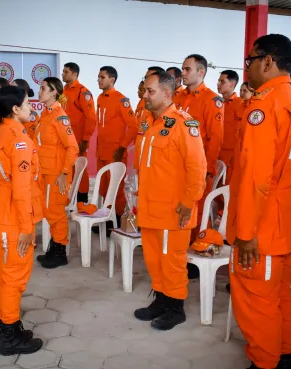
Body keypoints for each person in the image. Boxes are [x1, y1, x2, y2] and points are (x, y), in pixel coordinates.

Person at [226, 34, 291, 369]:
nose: (246, 66)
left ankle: (265, 362)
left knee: (256, 301)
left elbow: (255, 178)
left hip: (263, 228)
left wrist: (246, 233)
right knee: (279, 295)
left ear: (268, 61)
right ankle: (285, 353)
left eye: (250, 59)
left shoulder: (264, 106)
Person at [133, 71, 206, 331]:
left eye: (150, 91)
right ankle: (161, 299)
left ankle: (176, 307)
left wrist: (189, 203)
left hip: (174, 210)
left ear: (166, 93)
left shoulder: (184, 125)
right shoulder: (148, 122)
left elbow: (198, 168)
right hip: (150, 207)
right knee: (153, 259)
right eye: (144, 91)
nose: (144, 95)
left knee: (172, 261)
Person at [0, 85, 44, 356]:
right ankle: (8, 335)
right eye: (27, 103)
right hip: (12, 215)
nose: (32, 107)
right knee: (14, 278)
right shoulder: (19, 140)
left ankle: (3, 328)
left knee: (3, 274)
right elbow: (21, 190)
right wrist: (26, 228)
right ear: (16, 109)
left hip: (0, 209)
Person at [34, 77, 79, 269]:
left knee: (55, 213)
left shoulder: (60, 117)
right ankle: (54, 246)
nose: (40, 91)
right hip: (45, 172)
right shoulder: (45, 115)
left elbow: (73, 148)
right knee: (48, 211)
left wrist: (64, 173)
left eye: (43, 88)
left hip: (56, 174)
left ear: (54, 92)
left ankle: (60, 252)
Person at [181, 54, 224, 242]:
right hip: (178, 166)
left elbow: (216, 138)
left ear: (201, 72)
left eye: (187, 69)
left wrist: (208, 169)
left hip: (199, 167)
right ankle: (180, 248)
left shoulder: (212, 100)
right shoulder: (179, 97)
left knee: (196, 212)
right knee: (179, 209)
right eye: (182, 68)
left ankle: (197, 249)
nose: (183, 73)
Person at [93, 66, 139, 234]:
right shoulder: (100, 97)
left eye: (102, 77)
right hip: (102, 151)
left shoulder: (121, 100)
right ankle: (107, 218)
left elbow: (133, 125)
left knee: (117, 189)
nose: (98, 79)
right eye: (98, 76)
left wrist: (122, 147)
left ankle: (117, 222)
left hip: (115, 152)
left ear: (112, 79)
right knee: (104, 188)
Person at [61, 62, 97, 203]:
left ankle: (82, 199)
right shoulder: (62, 91)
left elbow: (91, 117)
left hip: (78, 139)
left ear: (74, 74)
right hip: (65, 139)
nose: (63, 74)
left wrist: (85, 139)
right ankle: (69, 198)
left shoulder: (83, 92)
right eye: (63, 72)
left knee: (80, 169)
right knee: (67, 168)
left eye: (66, 72)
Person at [217, 70, 243, 184]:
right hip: (216, 155)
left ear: (232, 84)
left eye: (222, 81)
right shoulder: (216, 104)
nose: (218, 84)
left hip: (232, 160)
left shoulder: (241, 105)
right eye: (218, 81)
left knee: (225, 195)